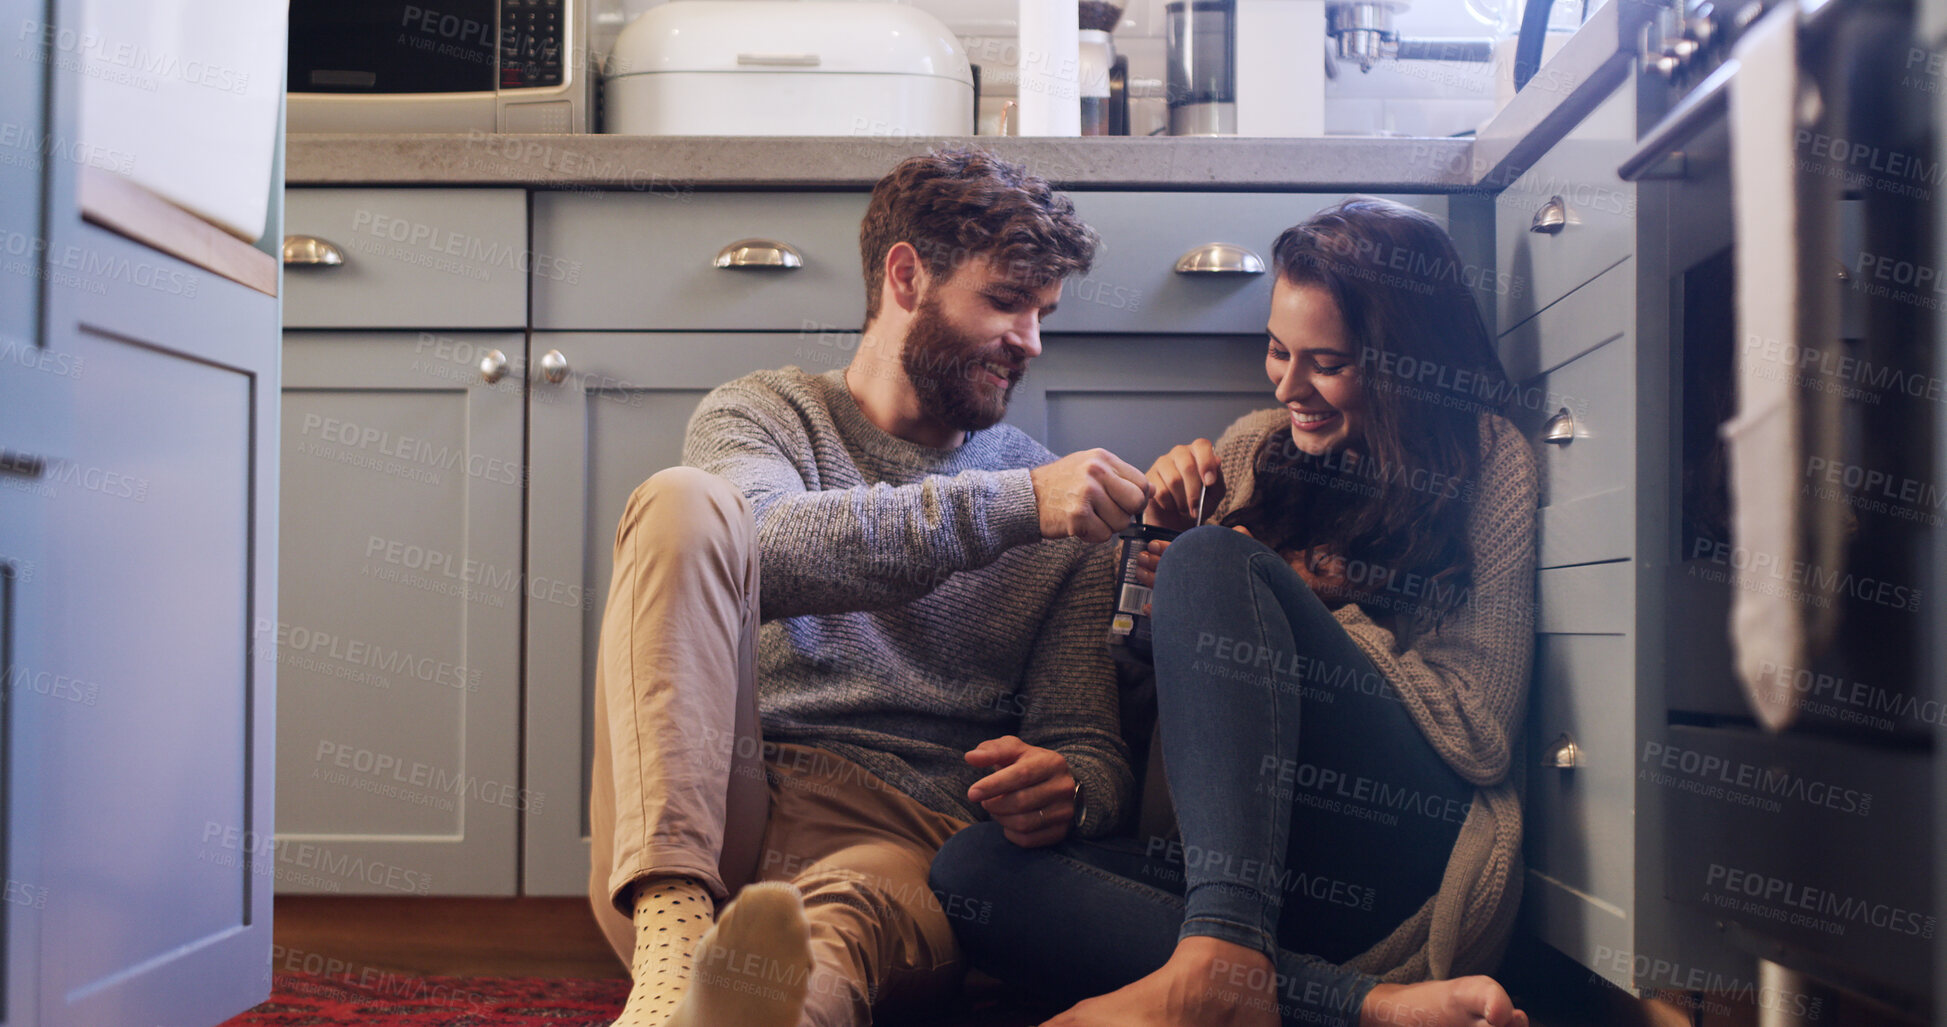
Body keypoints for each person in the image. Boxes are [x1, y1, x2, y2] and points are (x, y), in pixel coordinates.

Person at [929, 197, 1540, 1027]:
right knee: (971, 874)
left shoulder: (1486, 458)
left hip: (1402, 856)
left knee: (1215, 560)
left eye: (1326, 362)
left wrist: (1299, 605)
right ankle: (1361, 1005)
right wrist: (1159, 560)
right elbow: (1174, 717)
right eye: (1277, 350)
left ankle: (1221, 953)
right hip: (1251, 872)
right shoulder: (1255, 445)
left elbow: (1477, 730)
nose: (1290, 386)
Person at [586, 148, 1152, 1027]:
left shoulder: (1058, 513)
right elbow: (768, 553)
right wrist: (1014, 506)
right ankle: (671, 930)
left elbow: (1090, 745)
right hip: (713, 801)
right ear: (905, 276)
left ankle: (724, 1010)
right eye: (1005, 302)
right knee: (682, 501)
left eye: (1042, 314)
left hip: (898, 836)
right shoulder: (765, 415)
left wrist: (1071, 786)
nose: (1030, 343)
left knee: (825, 942)